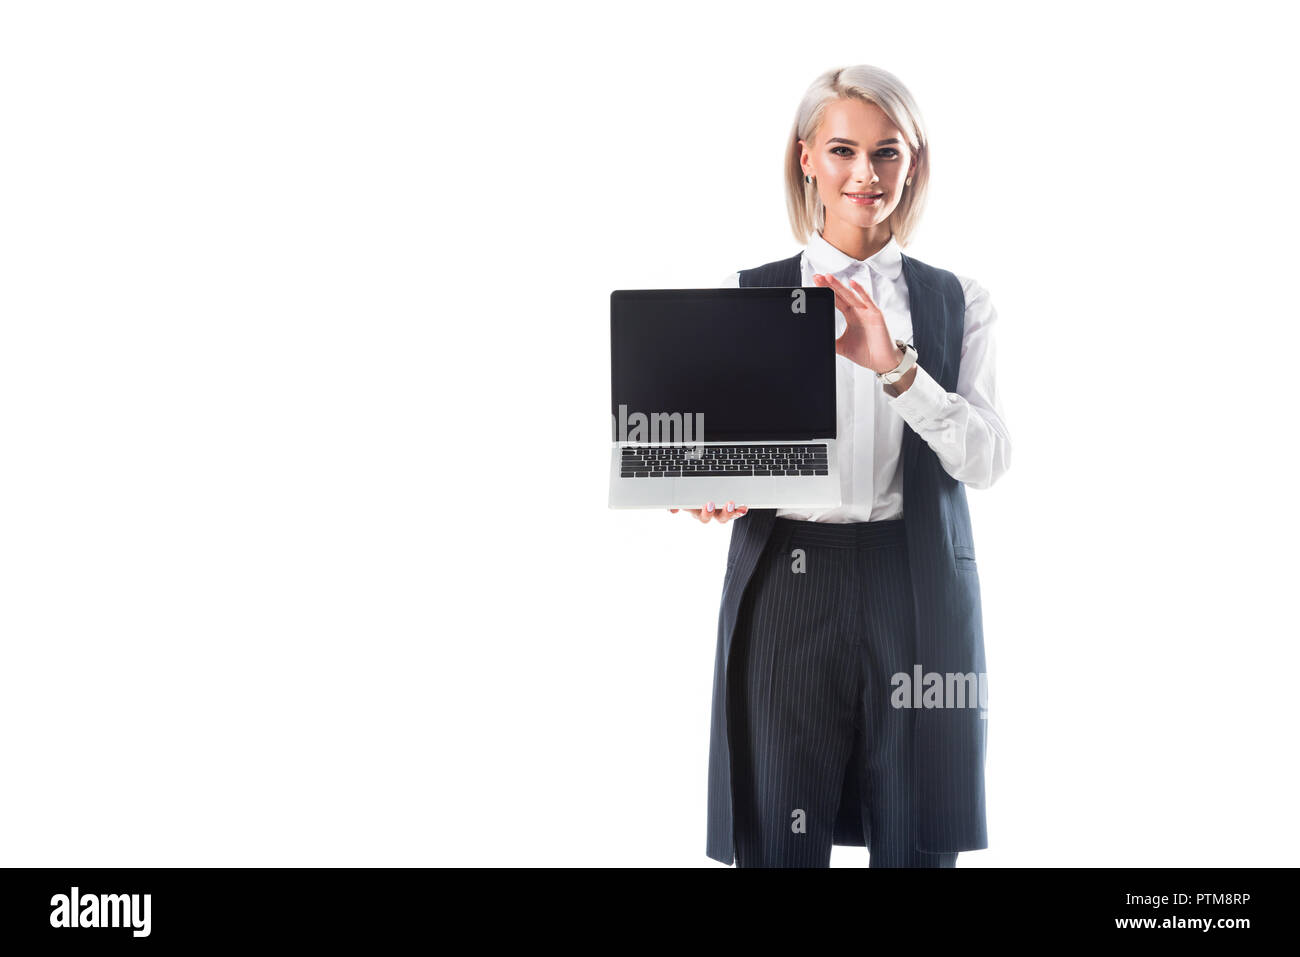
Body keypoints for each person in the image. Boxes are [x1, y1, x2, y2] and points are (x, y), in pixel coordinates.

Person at [671, 64, 1012, 867]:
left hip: (915, 578)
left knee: (917, 834)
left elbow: (988, 459)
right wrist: (708, 493)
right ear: (806, 160)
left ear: (914, 162)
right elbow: (712, 460)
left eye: (888, 152)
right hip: (789, 589)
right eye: (843, 150)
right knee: (777, 836)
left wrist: (897, 367)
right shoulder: (746, 295)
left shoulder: (960, 300)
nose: (867, 174)